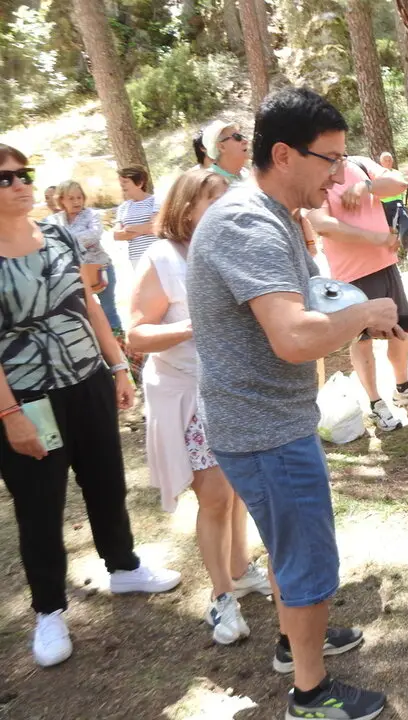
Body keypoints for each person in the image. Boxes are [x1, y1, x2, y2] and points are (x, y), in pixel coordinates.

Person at [187, 86, 397, 720]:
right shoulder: (247, 222)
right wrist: (363, 311)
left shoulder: (272, 214)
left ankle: (291, 639)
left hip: (263, 419)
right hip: (265, 429)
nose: (339, 176)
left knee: (287, 545)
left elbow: (301, 301)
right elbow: (294, 337)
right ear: (283, 154)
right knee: (306, 555)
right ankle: (310, 694)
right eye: (328, 160)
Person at [0, 144, 181, 669]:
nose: (18, 184)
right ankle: (49, 610)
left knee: (105, 479)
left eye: (23, 174)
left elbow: (85, 304)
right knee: (39, 504)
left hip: (87, 379)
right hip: (28, 394)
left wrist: (118, 367)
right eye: (4, 178)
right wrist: (10, 416)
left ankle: (123, 566)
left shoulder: (56, 232)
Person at [128, 168, 271, 646]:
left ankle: (239, 568)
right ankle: (219, 597)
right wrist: (194, 326)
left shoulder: (226, 250)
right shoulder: (162, 258)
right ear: (187, 208)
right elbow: (136, 334)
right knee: (213, 496)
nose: (226, 208)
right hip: (186, 393)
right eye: (213, 200)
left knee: (234, 490)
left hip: (227, 387)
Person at [308, 154, 408, 432]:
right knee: (362, 339)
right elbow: (322, 224)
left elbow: (398, 182)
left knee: (401, 329)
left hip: (385, 264)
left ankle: (403, 387)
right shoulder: (316, 173)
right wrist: (375, 238)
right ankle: (376, 403)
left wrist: (366, 186)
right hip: (350, 274)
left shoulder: (358, 164)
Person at [51, 180, 124, 336]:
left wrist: (65, 239)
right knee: (84, 314)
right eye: (71, 198)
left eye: (79, 197)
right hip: (73, 275)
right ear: (61, 200)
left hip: (99, 269)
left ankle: (124, 352)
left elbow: (93, 235)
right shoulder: (55, 220)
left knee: (108, 310)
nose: (76, 201)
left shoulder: (92, 215)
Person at [114, 164, 159, 269]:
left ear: (139, 183)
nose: (122, 185)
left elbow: (155, 227)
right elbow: (116, 235)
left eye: (125, 182)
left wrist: (129, 229)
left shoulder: (156, 201)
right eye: (121, 183)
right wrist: (144, 228)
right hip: (136, 259)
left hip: (157, 255)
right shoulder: (123, 207)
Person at [202, 120, 250, 184]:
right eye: (237, 137)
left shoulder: (247, 175)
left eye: (243, 136)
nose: (245, 141)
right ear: (222, 147)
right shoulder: (208, 183)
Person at [377, 151, 405, 228]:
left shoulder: (397, 173)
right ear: (381, 162)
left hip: (398, 203)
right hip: (385, 204)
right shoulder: (378, 174)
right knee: (390, 227)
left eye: (389, 160)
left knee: (401, 225)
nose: (388, 162)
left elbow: (402, 187)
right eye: (385, 160)